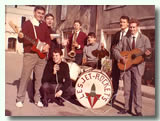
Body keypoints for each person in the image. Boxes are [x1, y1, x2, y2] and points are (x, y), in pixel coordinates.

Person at [113, 18, 151, 116]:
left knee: (137, 89)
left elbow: (149, 54)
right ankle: (126, 108)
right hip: (127, 66)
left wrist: (147, 54)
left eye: (134, 27)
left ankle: (138, 110)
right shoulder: (125, 38)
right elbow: (115, 50)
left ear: (137, 27)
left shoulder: (145, 39)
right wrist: (121, 58)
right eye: (130, 27)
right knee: (127, 89)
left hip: (138, 67)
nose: (132, 29)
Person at [16, 6, 51, 108]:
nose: (40, 15)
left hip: (42, 56)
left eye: (42, 14)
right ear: (34, 12)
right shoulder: (27, 24)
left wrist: (47, 46)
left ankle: (37, 99)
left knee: (39, 79)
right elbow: (22, 39)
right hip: (30, 54)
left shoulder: (44, 25)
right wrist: (20, 36)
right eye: (39, 13)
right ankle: (20, 99)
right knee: (25, 77)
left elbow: (48, 38)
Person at [110, 16, 130, 105]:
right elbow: (112, 47)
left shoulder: (131, 33)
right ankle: (113, 97)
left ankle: (127, 103)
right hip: (116, 61)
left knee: (127, 82)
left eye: (124, 22)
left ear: (128, 23)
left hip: (127, 62)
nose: (122, 24)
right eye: (121, 22)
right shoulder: (116, 34)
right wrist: (115, 58)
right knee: (115, 80)